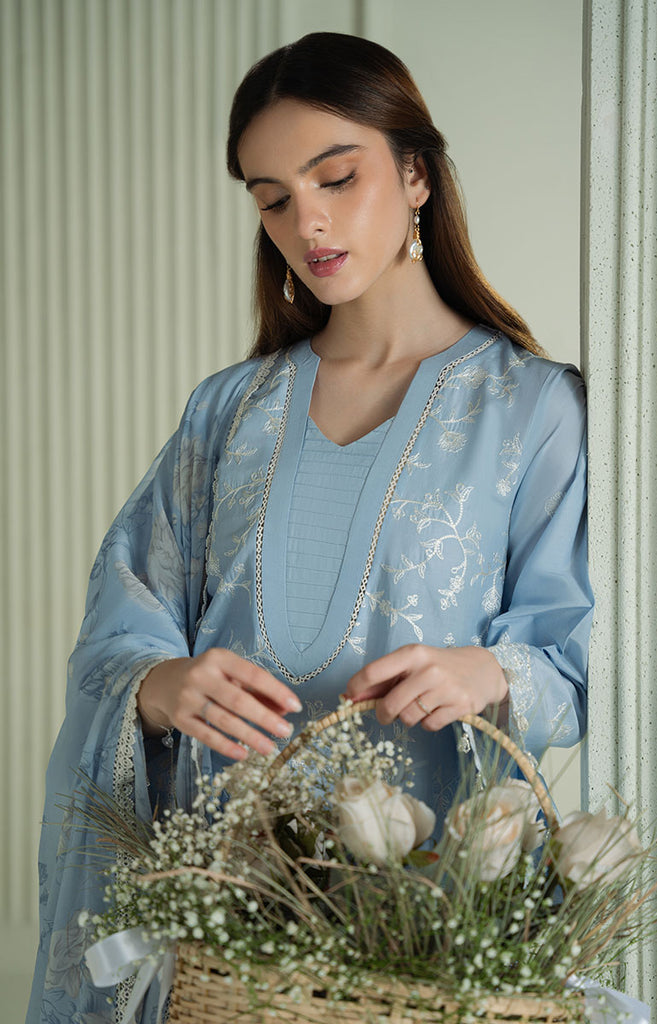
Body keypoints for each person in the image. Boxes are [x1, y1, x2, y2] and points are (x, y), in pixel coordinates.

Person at [27, 31, 593, 1024]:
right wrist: (159, 687)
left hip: (421, 935)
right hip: (220, 934)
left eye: (336, 178)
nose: (308, 222)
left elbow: (583, 660)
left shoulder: (531, 407)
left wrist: (488, 672)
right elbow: (118, 628)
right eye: (272, 198)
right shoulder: (227, 412)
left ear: (415, 174)